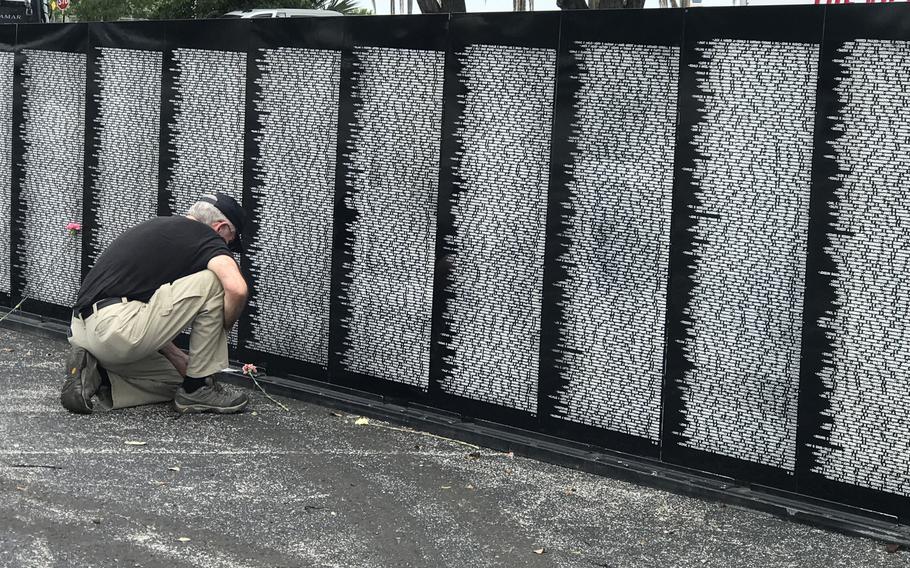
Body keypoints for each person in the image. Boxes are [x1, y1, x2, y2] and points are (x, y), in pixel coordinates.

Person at [61, 193, 250, 415]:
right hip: (116, 328)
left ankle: (96, 375)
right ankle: (197, 389)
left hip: (85, 333)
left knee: (180, 379)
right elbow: (236, 289)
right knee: (215, 281)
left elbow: (141, 305)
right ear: (221, 228)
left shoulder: (157, 228)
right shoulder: (207, 238)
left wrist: (176, 356)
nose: (227, 247)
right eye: (231, 240)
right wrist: (224, 325)